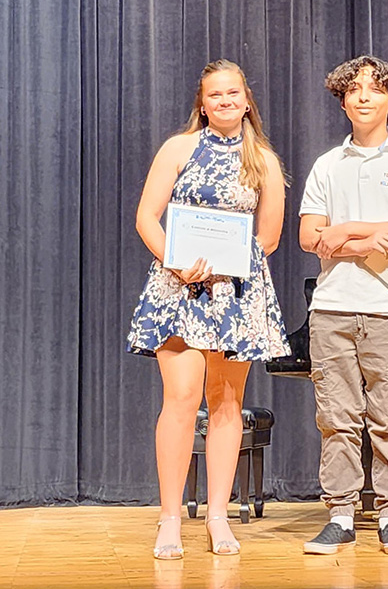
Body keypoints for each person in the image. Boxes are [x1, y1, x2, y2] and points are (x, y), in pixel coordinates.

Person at [127, 59, 290, 559]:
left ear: (246, 100)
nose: (224, 101)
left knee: (226, 403)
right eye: (214, 95)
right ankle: (170, 518)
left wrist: (231, 264)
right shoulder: (178, 148)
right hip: (179, 289)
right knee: (180, 398)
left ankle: (218, 515)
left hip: (235, 294)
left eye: (233, 93)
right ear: (203, 103)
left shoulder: (262, 158)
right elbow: (146, 217)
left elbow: (269, 236)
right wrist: (176, 263)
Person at [299, 55, 388, 555]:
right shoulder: (327, 165)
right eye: (353, 89)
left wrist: (342, 233)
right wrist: (363, 239)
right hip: (333, 307)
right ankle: (339, 513)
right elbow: (306, 236)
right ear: (342, 100)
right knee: (336, 417)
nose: (362, 97)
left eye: (374, 89)